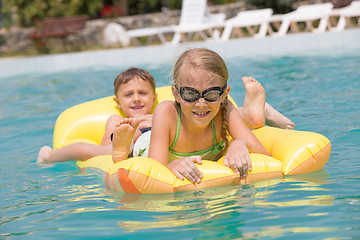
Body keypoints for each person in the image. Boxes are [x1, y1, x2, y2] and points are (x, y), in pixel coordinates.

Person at [112, 48, 273, 183]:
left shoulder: (225, 108)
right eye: (190, 93)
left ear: (224, 94)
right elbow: (154, 171)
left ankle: (254, 114)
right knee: (140, 138)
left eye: (211, 94)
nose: (201, 103)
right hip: (150, 145)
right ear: (175, 93)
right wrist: (171, 166)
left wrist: (241, 143)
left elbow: (266, 157)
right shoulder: (166, 112)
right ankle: (125, 149)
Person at [37, 67, 157, 164]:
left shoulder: (159, 115)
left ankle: (130, 142)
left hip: (153, 141)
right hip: (121, 147)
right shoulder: (117, 120)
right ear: (118, 102)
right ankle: (48, 156)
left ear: (154, 98)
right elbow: (106, 145)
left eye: (142, 93)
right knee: (86, 149)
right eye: (128, 95)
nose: (136, 99)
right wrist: (125, 134)